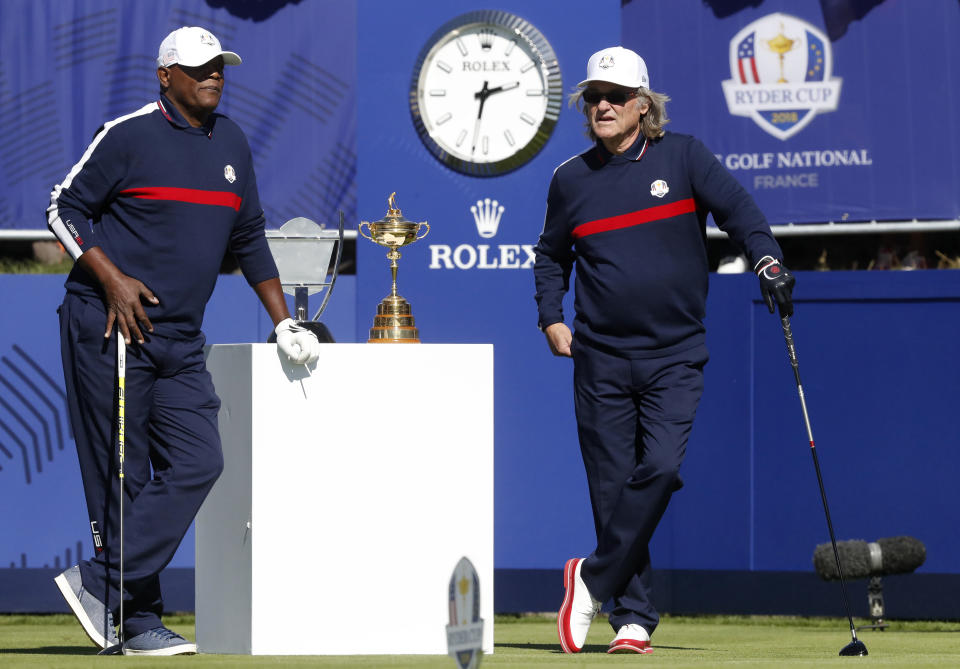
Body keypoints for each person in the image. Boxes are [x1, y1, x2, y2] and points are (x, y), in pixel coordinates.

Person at [46, 26, 321, 656]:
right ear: (165, 75)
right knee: (122, 478)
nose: (214, 75)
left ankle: (100, 585)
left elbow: (248, 237)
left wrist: (284, 321)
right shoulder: (128, 134)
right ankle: (137, 621)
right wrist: (112, 280)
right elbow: (62, 206)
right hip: (110, 324)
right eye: (199, 67)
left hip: (179, 337)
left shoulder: (232, 143)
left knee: (201, 460)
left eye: (220, 66)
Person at [534, 46, 795, 654]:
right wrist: (550, 315)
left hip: (675, 353)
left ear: (642, 107)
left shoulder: (683, 157)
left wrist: (768, 260)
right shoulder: (569, 178)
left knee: (661, 469)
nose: (601, 105)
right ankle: (633, 617)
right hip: (598, 356)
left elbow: (741, 212)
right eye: (593, 97)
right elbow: (550, 256)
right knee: (610, 484)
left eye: (615, 97)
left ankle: (590, 578)